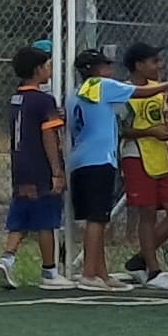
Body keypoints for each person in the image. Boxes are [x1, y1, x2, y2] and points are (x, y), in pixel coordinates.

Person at [0, 45, 66, 291]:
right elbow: (49, 137)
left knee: (21, 216)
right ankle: (50, 271)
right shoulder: (44, 100)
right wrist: (57, 171)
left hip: (20, 165)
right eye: (47, 66)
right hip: (40, 166)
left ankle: (7, 258)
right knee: (46, 220)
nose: (50, 70)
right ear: (38, 70)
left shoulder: (16, 98)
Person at [119, 39, 168, 288]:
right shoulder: (123, 91)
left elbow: (160, 119)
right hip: (137, 155)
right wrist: (150, 133)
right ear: (138, 65)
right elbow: (122, 130)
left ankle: (140, 259)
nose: (159, 66)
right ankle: (153, 271)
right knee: (147, 212)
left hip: (160, 157)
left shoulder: (158, 90)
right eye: (154, 61)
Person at [63, 48, 127, 286]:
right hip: (98, 160)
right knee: (96, 219)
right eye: (105, 65)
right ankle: (89, 273)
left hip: (80, 159)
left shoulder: (74, 94)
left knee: (96, 218)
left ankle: (102, 273)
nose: (109, 69)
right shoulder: (100, 86)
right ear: (94, 70)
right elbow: (139, 91)